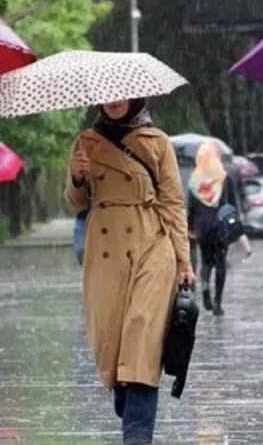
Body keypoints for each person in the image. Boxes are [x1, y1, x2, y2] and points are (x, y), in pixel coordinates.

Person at [64, 98, 193, 445]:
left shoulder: (158, 141)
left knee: (143, 342)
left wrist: (184, 260)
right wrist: (77, 176)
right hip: (106, 254)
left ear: (136, 97)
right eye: (106, 95)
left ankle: (137, 437)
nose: (113, 101)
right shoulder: (85, 142)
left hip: (152, 246)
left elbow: (173, 202)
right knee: (114, 344)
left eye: (120, 94)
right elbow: (75, 202)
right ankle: (127, 393)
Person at [187, 142, 238, 315]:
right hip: (220, 227)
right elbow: (232, 205)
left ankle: (205, 291)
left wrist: (190, 227)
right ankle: (217, 302)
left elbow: (191, 207)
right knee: (220, 262)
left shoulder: (196, 180)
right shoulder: (224, 178)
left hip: (202, 228)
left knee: (206, 261)